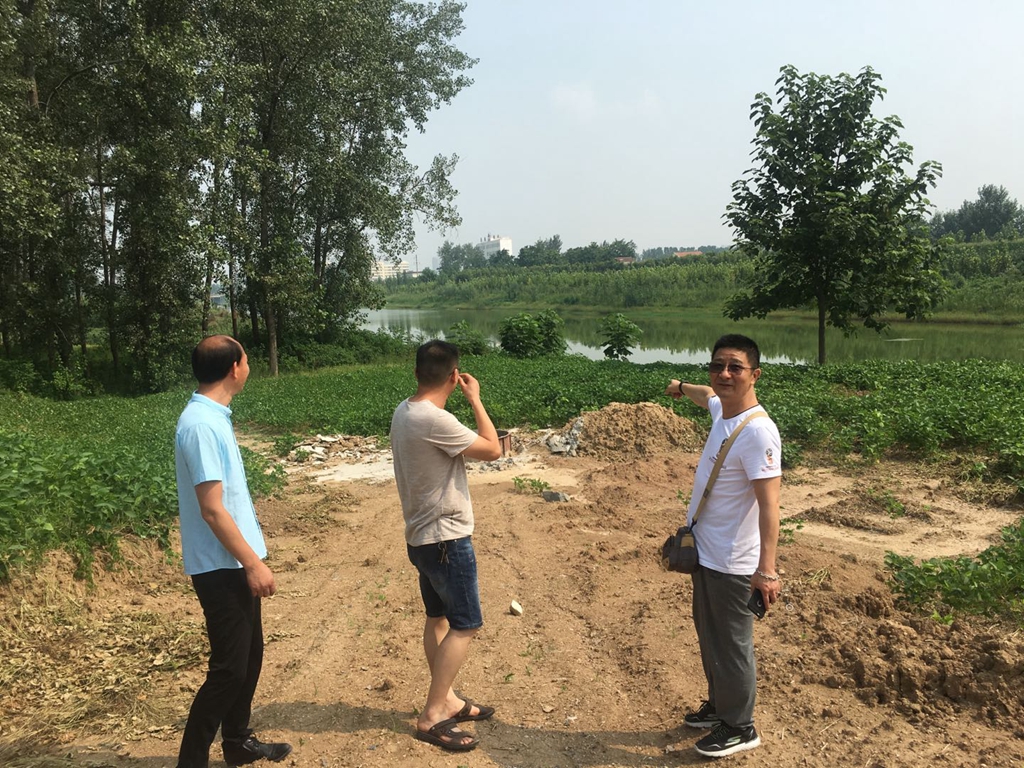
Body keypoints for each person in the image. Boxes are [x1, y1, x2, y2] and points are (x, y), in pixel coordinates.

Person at [174, 335, 292, 768]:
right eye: (246, 359)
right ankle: (191, 760)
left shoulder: (213, 416)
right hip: (220, 565)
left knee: (249, 657)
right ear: (233, 369)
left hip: (233, 560)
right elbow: (212, 509)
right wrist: (253, 562)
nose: (248, 366)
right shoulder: (201, 425)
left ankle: (238, 742)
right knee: (228, 670)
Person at [664, 333, 782, 758]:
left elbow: (770, 507)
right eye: (718, 366)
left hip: (735, 562)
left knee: (732, 647)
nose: (725, 374)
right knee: (710, 637)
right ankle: (720, 707)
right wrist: (680, 387)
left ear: (755, 375)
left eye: (735, 367)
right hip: (706, 554)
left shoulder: (759, 432)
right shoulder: (722, 410)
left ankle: (740, 725)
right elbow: (706, 396)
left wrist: (766, 571)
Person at [390, 340, 502, 752]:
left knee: (437, 617)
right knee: (466, 624)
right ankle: (434, 713)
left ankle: (448, 699)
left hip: (422, 538)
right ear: (455, 376)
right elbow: (492, 449)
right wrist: (476, 400)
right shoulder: (435, 419)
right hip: (446, 539)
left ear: (416, 373)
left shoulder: (404, 411)